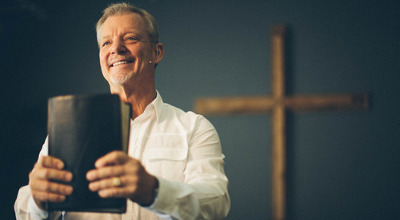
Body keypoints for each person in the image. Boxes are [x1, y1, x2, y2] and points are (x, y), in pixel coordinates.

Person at [14, 2, 230, 220]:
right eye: (106, 42)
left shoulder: (194, 128)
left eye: (130, 38)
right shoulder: (67, 129)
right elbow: (24, 212)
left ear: (157, 52)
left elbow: (216, 202)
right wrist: (38, 200)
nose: (116, 48)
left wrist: (154, 191)